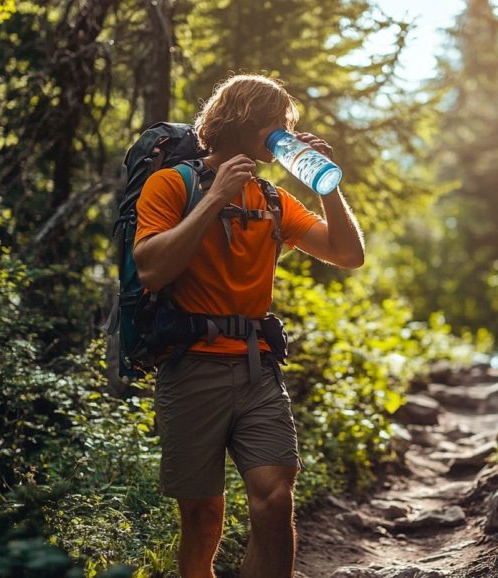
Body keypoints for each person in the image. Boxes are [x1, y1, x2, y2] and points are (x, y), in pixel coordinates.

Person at [133, 74, 364, 578]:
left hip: (258, 369)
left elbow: (348, 255)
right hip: (191, 368)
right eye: (276, 122)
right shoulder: (172, 184)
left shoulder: (275, 199)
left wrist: (326, 187)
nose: (285, 131)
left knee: (275, 497)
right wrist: (216, 197)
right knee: (201, 519)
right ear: (243, 122)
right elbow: (151, 268)